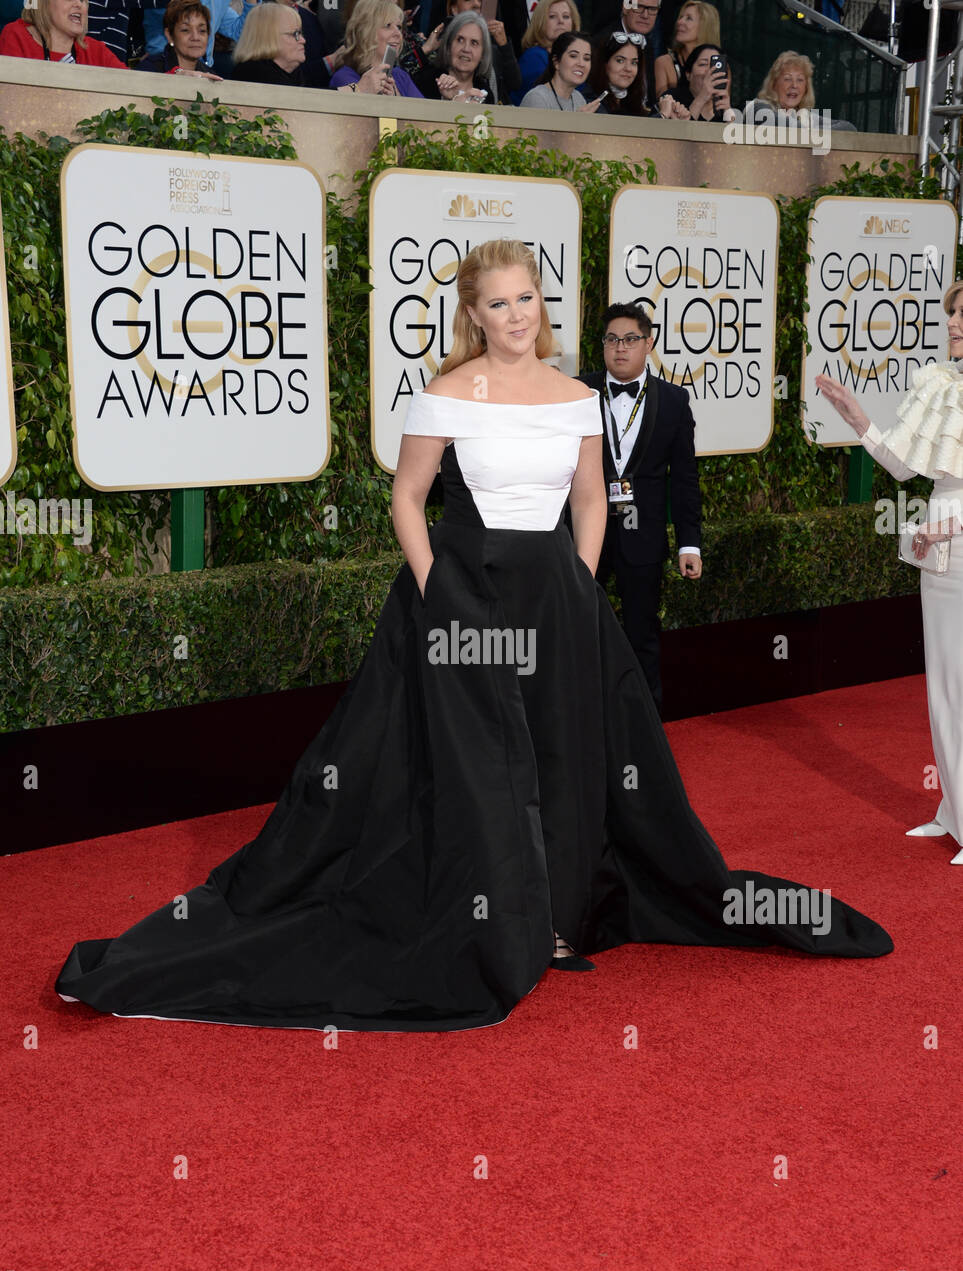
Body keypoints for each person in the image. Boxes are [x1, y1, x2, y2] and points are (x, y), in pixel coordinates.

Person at [54, 238, 892, 1035]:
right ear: (475, 314)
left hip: (557, 596)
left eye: (527, 297)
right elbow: (407, 499)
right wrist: (433, 590)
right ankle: (488, 913)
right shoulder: (448, 391)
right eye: (499, 303)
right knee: (476, 766)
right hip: (463, 596)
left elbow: (592, 501)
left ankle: (557, 924)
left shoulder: (576, 396)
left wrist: (577, 582)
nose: (517, 314)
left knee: (564, 757)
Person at [815, 282, 963, 866]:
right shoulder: (942, 384)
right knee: (942, 689)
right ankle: (953, 810)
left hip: (952, 542)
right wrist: (856, 416)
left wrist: (948, 528)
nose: (953, 323)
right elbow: (904, 466)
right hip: (940, 560)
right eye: (952, 313)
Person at [578, 302, 701, 717]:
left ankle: (645, 724)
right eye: (612, 340)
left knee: (642, 634)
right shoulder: (579, 393)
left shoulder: (673, 401)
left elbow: (684, 479)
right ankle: (582, 719)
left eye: (631, 340)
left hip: (643, 536)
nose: (620, 349)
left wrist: (690, 544)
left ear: (649, 344)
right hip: (584, 533)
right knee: (578, 629)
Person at [413, 3, 520, 101]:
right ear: (448, 46)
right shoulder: (426, 82)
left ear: (483, 54)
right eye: (460, 40)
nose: (466, 49)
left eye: (474, 43)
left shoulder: (486, 94)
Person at [329, 0, 422, 95]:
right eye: (388, 26)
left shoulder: (400, 76)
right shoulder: (344, 76)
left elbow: (425, 109)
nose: (398, 33)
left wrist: (398, 99)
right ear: (366, 32)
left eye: (399, 27)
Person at [0, 0, 127, 65]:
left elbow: (133, 88)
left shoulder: (97, 51)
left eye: (83, 0)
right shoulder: (17, 35)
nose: (79, 4)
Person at [591, 0, 661, 112]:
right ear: (625, 7)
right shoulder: (603, 41)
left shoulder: (647, 43)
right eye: (639, 7)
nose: (645, 15)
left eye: (652, 9)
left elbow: (649, 98)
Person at [511, 0, 578, 105]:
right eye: (552, 16)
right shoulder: (534, 57)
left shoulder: (579, 57)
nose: (561, 21)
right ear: (540, 22)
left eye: (566, 16)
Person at [519, 28, 600, 111]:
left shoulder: (579, 99)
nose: (581, 64)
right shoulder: (537, 98)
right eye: (573, 56)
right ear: (556, 62)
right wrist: (577, 121)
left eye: (586, 58)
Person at [136, 0, 221, 75]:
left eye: (202, 30)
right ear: (169, 35)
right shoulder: (149, 70)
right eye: (185, 30)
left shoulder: (210, 76)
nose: (195, 37)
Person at [653, 0, 718, 98]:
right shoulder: (664, 62)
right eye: (681, 17)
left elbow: (720, 108)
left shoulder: (718, 65)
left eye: (689, 18)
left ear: (704, 26)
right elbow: (663, 107)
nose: (680, 22)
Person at [661, 41, 735, 122]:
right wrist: (701, 98)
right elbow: (681, 132)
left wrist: (728, 115)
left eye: (717, 66)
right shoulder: (672, 99)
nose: (710, 71)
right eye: (703, 64)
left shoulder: (724, 107)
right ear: (688, 74)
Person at [584, 28, 649, 116]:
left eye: (634, 62)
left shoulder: (636, 103)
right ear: (604, 63)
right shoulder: (589, 99)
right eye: (620, 61)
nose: (628, 68)